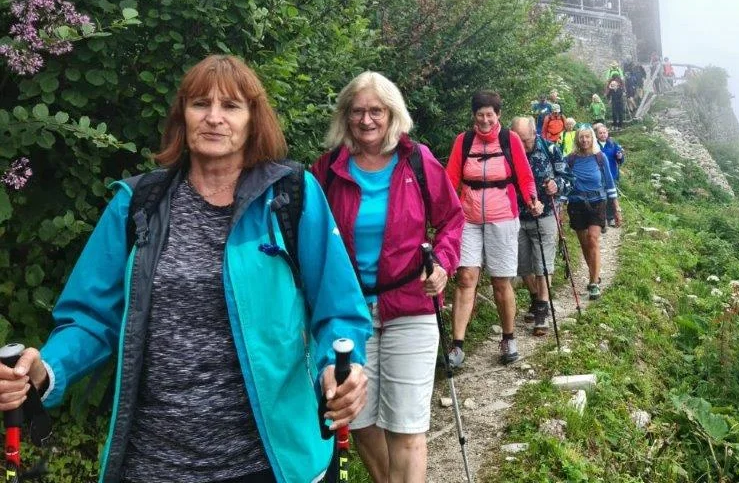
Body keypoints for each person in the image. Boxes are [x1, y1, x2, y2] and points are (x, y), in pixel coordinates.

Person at [0, 54, 372, 483]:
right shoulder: (138, 205)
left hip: (266, 462)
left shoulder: (289, 196)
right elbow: (90, 318)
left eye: (231, 106)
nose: (214, 118)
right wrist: (45, 369)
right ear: (182, 115)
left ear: (253, 119)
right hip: (152, 463)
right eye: (200, 104)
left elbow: (339, 308)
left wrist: (340, 367)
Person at [311, 72, 465, 483]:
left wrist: (443, 263)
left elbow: (452, 219)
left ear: (392, 113)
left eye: (376, 111)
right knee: (359, 422)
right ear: (345, 116)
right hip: (348, 313)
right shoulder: (327, 171)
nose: (366, 120)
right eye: (357, 111)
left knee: (406, 428)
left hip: (410, 305)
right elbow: (309, 238)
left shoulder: (417, 161)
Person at [446, 90, 540, 366]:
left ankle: (508, 337)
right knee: (466, 278)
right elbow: (450, 179)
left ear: (498, 115)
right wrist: (442, 211)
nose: (485, 120)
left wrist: (532, 199)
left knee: (500, 281)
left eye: (490, 114)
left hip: (503, 217)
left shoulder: (510, 140)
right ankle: (457, 345)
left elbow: (525, 176)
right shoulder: (463, 142)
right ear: (474, 115)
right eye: (480, 114)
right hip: (468, 218)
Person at [510, 117, 570, 336]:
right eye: (518, 140)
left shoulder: (551, 149)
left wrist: (557, 185)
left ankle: (542, 310)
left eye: (526, 140)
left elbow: (567, 178)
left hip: (545, 214)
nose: (523, 146)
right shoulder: (507, 152)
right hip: (515, 216)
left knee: (543, 263)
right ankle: (536, 298)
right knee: (522, 265)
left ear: (534, 133)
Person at [564, 126, 620, 301]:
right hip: (576, 203)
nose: (584, 140)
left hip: (597, 202)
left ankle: (594, 282)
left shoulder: (600, 157)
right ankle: (593, 272)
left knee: (592, 239)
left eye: (588, 137)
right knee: (584, 243)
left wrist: (616, 209)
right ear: (577, 139)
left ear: (592, 138)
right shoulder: (570, 160)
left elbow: (609, 183)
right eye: (581, 137)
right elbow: (563, 182)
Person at [594, 123, 625, 232]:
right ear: (596, 134)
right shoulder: (594, 145)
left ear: (607, 133)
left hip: (612, 174)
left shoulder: (613, 144)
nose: (603, 135)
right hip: (598, 176)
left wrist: (620, 156)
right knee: (601, 198)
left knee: (611, 197)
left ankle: (610, 218)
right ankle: (601, 220)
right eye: (600, 133)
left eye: (604, 132)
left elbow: (620, 160)